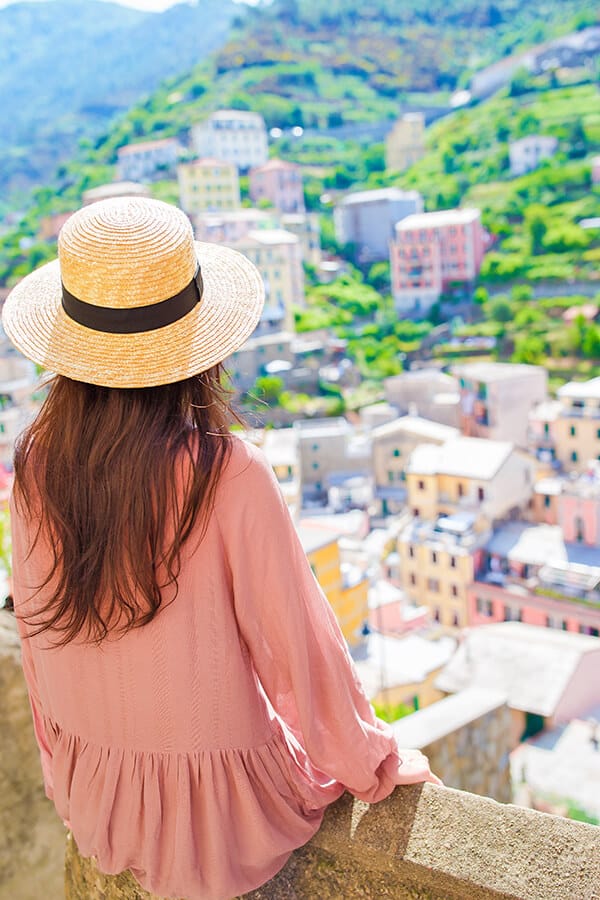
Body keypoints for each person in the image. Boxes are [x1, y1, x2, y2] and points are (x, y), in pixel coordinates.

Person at [3, 198, 440, 900]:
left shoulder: (37, 465)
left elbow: (36, 645)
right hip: (225, 819)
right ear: (194, 341)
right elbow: (298, 652)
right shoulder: (226, 474)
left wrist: (67, 773)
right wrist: (372, 762)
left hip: (96, 798)